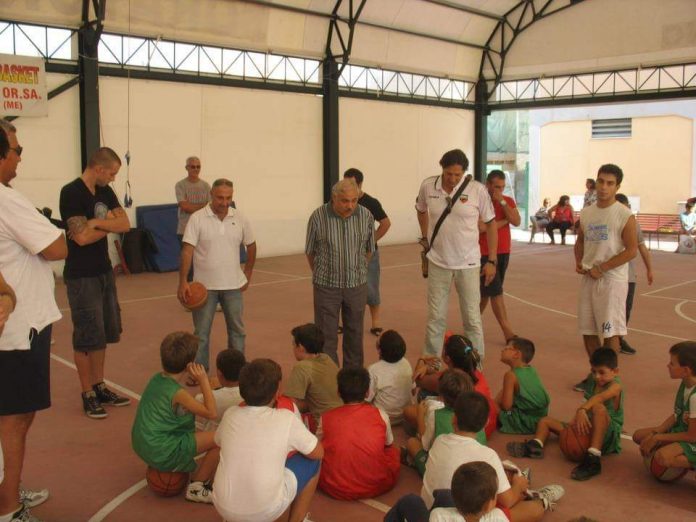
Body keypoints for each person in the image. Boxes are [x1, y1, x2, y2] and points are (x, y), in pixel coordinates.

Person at [0, 120, 67, 522]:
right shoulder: (7, 200)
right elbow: (56, 247)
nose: (20, 156)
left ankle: (8, 485)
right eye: (16, 149)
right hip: (18, 329)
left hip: (16, 326)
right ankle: (9, 507)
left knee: (14, 415)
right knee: (15, 418)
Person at [59, 146, 132, 419]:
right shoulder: (71, 193)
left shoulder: (104, 191)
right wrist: (106, 223)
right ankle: (87, 391)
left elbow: (124, 224)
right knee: (86, 336)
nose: (113, 178)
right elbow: (80, 238)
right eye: (112, 173)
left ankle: (100, 384)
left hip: (103, 272)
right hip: (81, 275)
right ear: (99, 169)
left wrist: (95, 223)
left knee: (103, 334)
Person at [212, 359, 323, 522]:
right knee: (314, 462)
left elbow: (218, 441)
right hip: (265, 510)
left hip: (223, 506)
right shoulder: (286, 418)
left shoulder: (230, 414)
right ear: (277, 392)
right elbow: (318, 452)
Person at [422, 392, 564, 519]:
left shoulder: (439, 441)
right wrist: (518, 485)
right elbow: (507, 501)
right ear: (485, 424)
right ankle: (537, 497)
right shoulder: (487, 455)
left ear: (453, 419)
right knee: (534, 509)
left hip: (432, 508)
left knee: (497, 476)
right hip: (466, 514)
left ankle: (521, 488)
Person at [416, 149, 497, 358]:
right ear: (442, 169)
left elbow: (490, 224)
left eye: (457, 175)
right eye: (449, 174)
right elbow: (421, 209)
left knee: (472, 319)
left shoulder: (477, 190)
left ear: (464, 173)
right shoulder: (428, 186)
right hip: (438, 263)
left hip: (469, 264)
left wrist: (492, 260)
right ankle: (431, 363)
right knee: (435, 318)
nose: (452, 179)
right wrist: (425, 237)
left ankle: (476, 366)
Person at [177, 178, 256, 373]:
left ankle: (236, 372)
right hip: (204, 288)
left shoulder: (240, 217)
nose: (224, 202)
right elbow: (187, 250)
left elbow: (252, 245)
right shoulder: (197, 218)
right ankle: (200, 372)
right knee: (201, 334)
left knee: (237, 332)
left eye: (228, 198)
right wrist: (183, 282)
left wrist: (247, 273)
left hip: (233, 286)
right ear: (211, 195)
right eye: (220, 197)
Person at [508, 348, 623, 481]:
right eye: (593, 371)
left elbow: (599, 398)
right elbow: (585, 402)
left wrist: (581, 411)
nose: (597, 376)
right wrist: (574, 424)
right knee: (545, 421)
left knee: (598, 408)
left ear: (615, 371)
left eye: (602, 372)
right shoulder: (593, 381)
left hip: (608, 434)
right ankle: (535, 445)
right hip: (589, 425)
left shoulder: (616, 386)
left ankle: (593, 459)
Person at [131, 332, 219, 503]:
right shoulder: (178, 394)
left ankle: (170, 462)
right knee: (221, 437)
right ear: (190, 364)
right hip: (162, 450)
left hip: (143, 445)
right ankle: (197, 486)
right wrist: (203, 381)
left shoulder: (156, 379)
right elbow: (212, 412)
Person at [574, 164, 636, 392]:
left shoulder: (624, 215)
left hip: (612, 282)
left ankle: (610, 379)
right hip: (589, 279)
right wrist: (579, 261)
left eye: (610, 183)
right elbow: (580, 240)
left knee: (610, 332)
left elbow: (631, 250)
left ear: (617, 186)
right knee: (588, 330)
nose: (603, 187)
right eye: (601, 181)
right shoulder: (588, 212)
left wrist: (604, 267)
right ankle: (595, 375)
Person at [305, 179, 375, 368]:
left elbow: (369, 249)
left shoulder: (366, 216)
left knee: (355, 334)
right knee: (326, 336)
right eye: (345, 201)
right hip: (326, 287)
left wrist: (358, 269)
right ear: (334, 198)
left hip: (356, 286)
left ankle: (352, 380)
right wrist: (324, 274)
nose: (350, 206)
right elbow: (310, 252)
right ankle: (329, 378)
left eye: (354, 200)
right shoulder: (318, 217)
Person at [318, 367, 400, 500]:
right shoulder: (381, 415)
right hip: (376, 486)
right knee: (393, 452)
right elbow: (388, 444)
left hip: (334, 487)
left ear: (338, 392)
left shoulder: (326, 417)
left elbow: (318, 447)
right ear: (367, 393)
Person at [409, 334, 497, 438]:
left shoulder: (448, 379)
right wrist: (429, 369)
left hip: (468, 431)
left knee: (413, 407)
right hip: (485, 426)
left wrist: (422, 361)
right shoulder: (474, 371)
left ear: (447, 358)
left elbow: (417, 380)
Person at [404, 370, 482, 477]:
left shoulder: (436, 415)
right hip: (473, 472)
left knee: (412, 442)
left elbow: (425, 444)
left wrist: (420, 415)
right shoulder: (476, 413)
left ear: (441, 396)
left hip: (443, 473)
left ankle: (416, 464)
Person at [633, 342, 696, 471]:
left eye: (672, 363)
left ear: (686, 370)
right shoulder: (686, 382)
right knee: (639, 436)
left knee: (663, 457)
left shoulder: (695, 397)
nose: (668, 365)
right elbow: (677, 414)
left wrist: (659, 438)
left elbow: (692, 436)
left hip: (692, 437)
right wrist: (657, 432)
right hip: (685, 430)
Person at [343, 168, 391, 336]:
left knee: (371, 286)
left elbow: (385, 223)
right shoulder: (340, 201)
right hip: (347, 253)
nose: (348, 186)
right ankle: (346, 321)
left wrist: (371, 241)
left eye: (352, 184)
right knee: (346, 287)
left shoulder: (371, 202)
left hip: (368, 254)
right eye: (345, 183)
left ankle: (375, 322)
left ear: (360, 184)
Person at [385, 461, 508, 522]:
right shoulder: (498, 518)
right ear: (488, 505)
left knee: (411, 501)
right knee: (444, 496)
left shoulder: (439, 516)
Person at [479, 170, 520, 342]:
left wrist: (502, 201)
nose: (499, 190)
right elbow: (482, 227)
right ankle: (508, 332)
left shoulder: (507, 201)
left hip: (504, 252)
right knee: (495, 291)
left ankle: (472, 324)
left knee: (485, 294)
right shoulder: (479, 201)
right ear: (487, 184)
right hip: (485, 254)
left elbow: (516, 221)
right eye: (496, 187)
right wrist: (503, 222)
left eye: (502, 187)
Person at [614, 193, 654, 355]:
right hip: (610, 275)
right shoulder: (608, 223)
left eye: (626, 207)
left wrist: (649, 268)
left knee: (625, 309)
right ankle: (607, 338)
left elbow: (642, 247)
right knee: (610, 310)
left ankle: (619, 339)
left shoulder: (633, 224)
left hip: (628, 276)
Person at [285, 323, 342, 426]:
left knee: (282, 406)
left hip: (325, 425)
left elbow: (291, 406)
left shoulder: (302, 367)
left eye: (293, 344)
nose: (293, 348)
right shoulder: (326, 358)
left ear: (301, 347)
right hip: (342, 416)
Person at [496, 337, 550, 434]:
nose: (503, 349)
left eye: (507, 348)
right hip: (540, 416)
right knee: (504, 393)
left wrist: (497, 405)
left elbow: (506, 407)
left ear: (516, 354)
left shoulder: (510, 375)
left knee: (493, 406)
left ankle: (509, 420)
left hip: (526, 421)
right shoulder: (531, 370)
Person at [175, 156, 211, 281]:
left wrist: (193, 206)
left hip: (203, 229)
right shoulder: (180, 185)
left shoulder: (206, 186)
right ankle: (188, 290)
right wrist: (203, 206)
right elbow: (185, 206)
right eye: (193, 166)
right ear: (187, 168)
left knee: (203, 262)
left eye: (198, 166)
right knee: (188, 264)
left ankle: (203, 291)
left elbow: (210, 207)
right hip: (185, 229)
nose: (196, 169)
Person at [366, 329, 412, 425]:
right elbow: (413, 388)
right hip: (405, 415)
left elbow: (367, 398)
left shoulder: (373, 370)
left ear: (379, 351)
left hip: (382, 417)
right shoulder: (405, 362)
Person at [194, 348, 246, 431]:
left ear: (219, 373)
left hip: (212, 440)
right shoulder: (250, 396)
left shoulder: (201, 398)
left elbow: (197, 429)